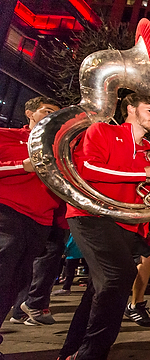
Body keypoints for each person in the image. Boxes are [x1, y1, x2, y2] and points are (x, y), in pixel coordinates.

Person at [53, 93, 150, 360]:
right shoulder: (103, 130)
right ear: (131, 109)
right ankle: (88, 358)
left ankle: (66, 359)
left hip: (127, 224)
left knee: (99, 290)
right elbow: (89, 169)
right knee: (119, 277)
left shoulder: (148, 151)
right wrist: (144, 172)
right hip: (92, 215)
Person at [0, 97, 62, 331]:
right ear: (29, 113)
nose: (51, 117)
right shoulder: (6, 135)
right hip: (7, 214)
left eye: (56, 114)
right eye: (46, 111)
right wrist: (22, 165)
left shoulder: (59, 147)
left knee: (17, 284)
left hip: (41, 221)